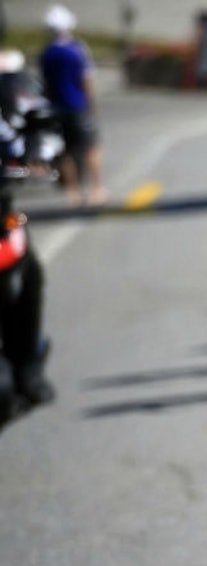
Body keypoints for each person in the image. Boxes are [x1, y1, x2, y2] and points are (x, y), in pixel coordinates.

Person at [0, 49, 56, 429]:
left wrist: (36, 153)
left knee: (29, 273)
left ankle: (28, 365)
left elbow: (41, 124)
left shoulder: (10, 79)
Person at [38, 4, 105, 207]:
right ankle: (95, 190)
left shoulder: (47, 53)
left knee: (66, 150)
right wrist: (91, 102)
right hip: (78, 105)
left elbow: (45, 83)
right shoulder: (77, 49)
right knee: (90, 147)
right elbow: (86, 78)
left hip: (57, 107)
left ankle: (72, 192)